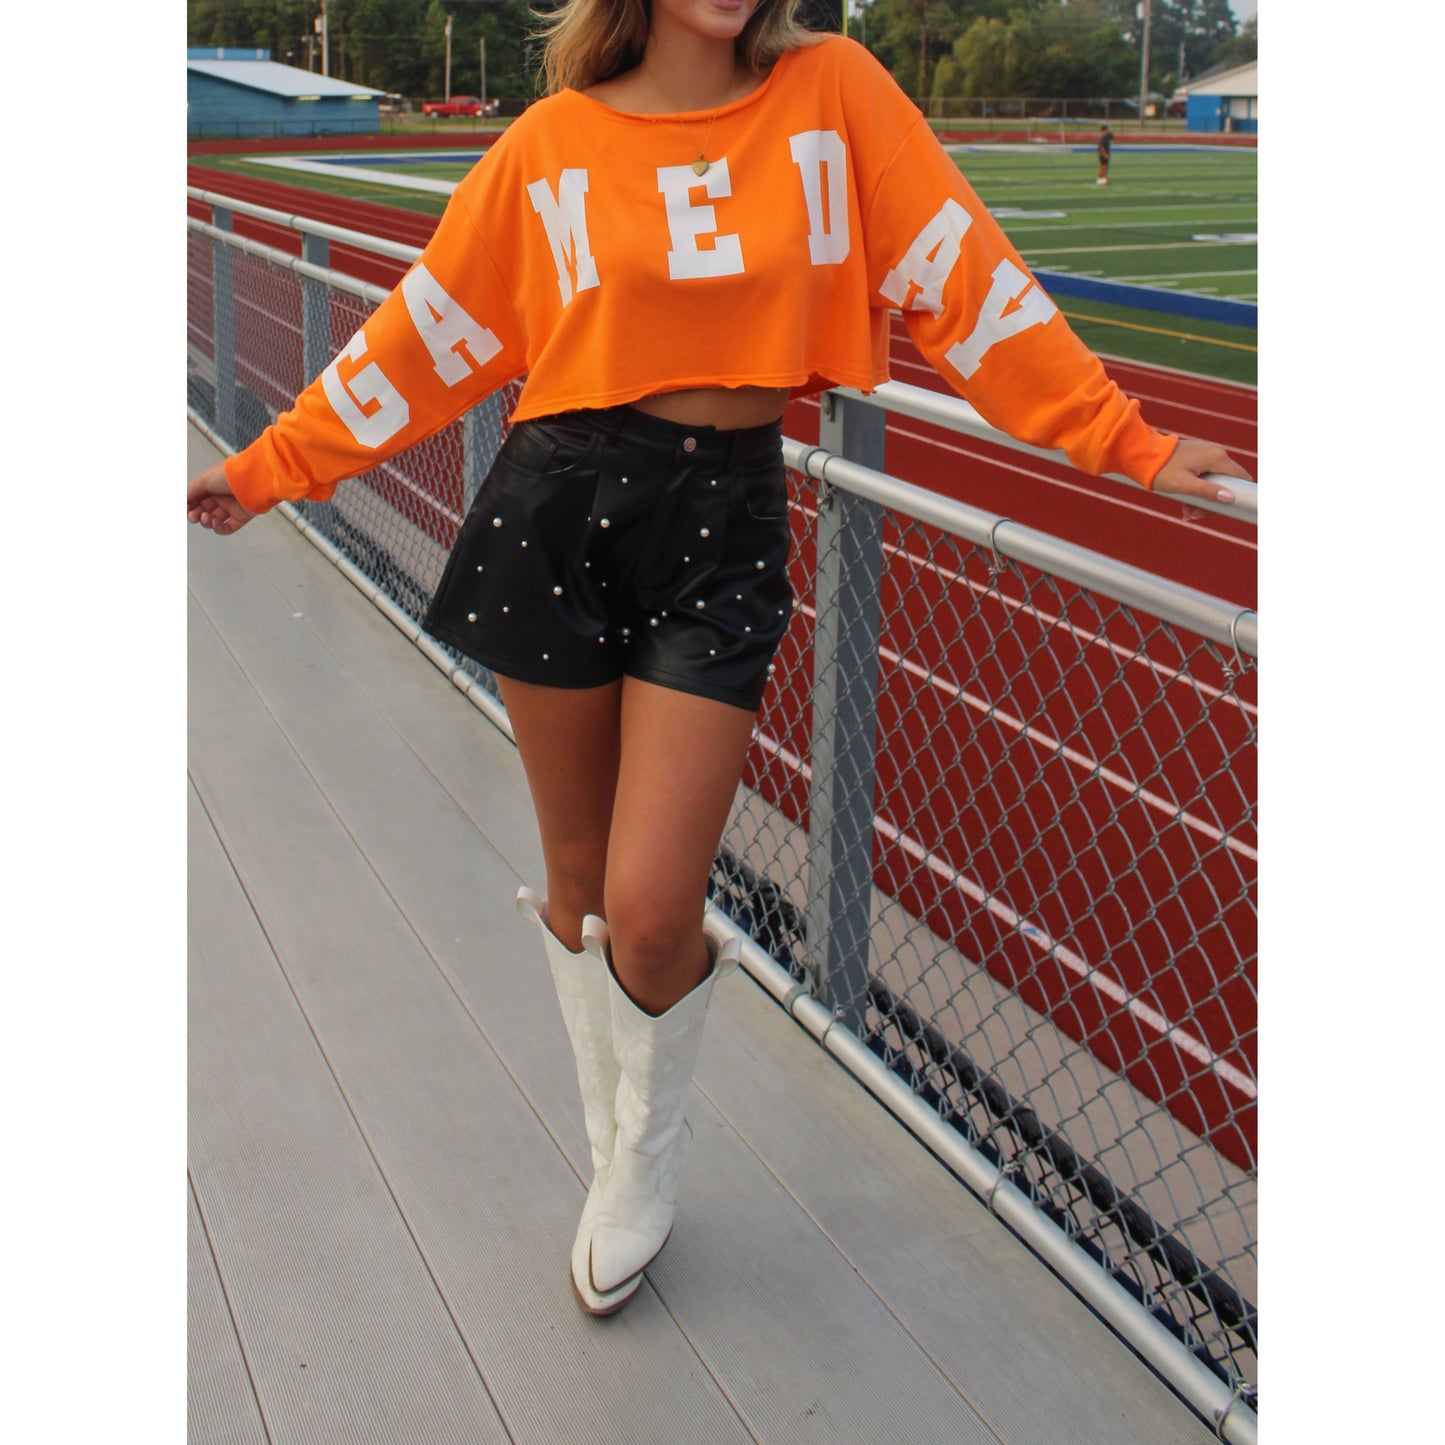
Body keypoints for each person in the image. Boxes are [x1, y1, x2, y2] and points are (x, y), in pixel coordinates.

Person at [187, 0, 1250, 1318]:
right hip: (556, 501)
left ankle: (646, 1150)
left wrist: (1132, 441)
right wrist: (267, 467)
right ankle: (607, 1147)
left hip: (722, 522)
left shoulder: (834, 92)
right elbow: (426, 335)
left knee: (647, 900)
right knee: (576, 874)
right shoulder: (550, 143)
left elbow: (963, 275)